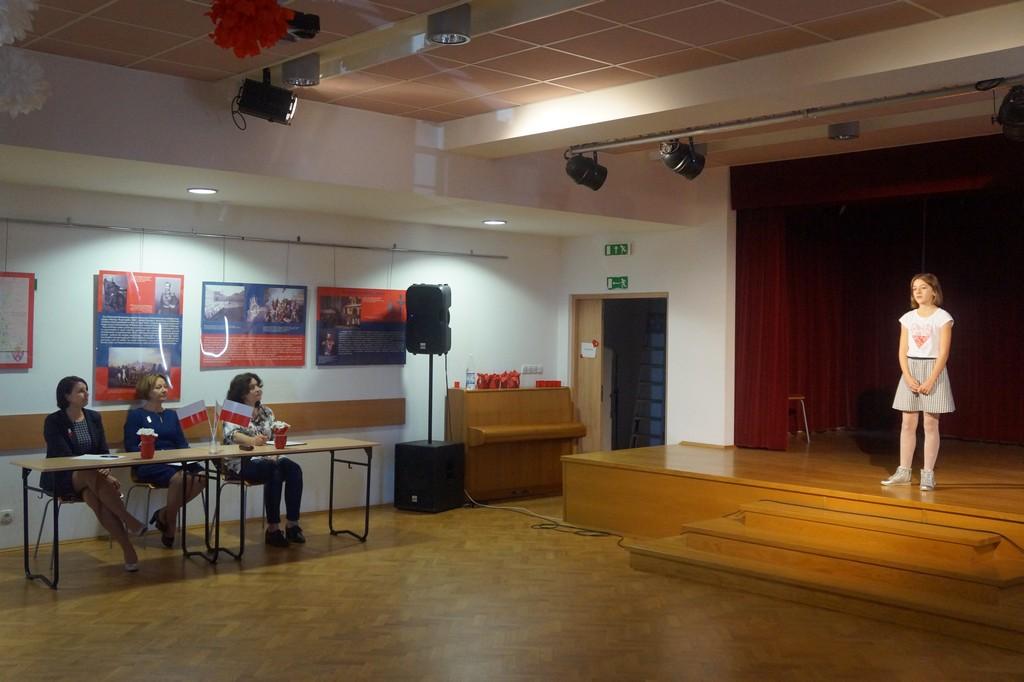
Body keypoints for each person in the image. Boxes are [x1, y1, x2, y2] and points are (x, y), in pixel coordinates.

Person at [42, 376, 147, 571]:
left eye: (87, 390)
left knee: (95, 499)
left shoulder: (93, 417)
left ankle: (128, 551)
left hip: (92, 478)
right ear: (67, 396)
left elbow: (103, 451)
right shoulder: (54, 421)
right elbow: (64, 455)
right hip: (62, 476)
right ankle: (129, 520)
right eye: (80, 391)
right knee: (89, 474)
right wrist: (99, 471)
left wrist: (106, 470)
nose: (86, 394)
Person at [881, 273, 955, 491]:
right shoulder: (908, 318)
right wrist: (907, 375)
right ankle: (904, 471)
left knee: (930, 424)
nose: (918, 292)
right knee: (907, 423)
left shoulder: (943, 317)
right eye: (915, 289)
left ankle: (928, 474)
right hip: (911, 370)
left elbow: (943, 352)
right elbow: (902, 351)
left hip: (934, 370)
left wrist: (932, 379)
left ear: (934, 291)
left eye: (923, 287)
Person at [222, 372, 305, 547]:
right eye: (252, 387)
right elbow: (232, 435)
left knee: (294, 469)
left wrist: (279, 437)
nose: (258, 389)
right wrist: (253, 441)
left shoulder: (267, 411)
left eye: (258, 385)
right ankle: (273, 529)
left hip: (268, 456)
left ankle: (292, 525)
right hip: (242, 460)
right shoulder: (234, 410)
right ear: (241, 392)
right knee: (273, 471)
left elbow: (272, 437)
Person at [123, 374, 205, 547]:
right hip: (150, 463)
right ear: (147, 391)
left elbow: (181, 443)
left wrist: (187, 455)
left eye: (165, 387)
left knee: (203, 476)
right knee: (181, 478)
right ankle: (171, 525)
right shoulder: (136, 415)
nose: (163, 390)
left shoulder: (171, 415)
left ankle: (164, 514)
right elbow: (131, 446)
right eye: (158, 387)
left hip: (176, 461)